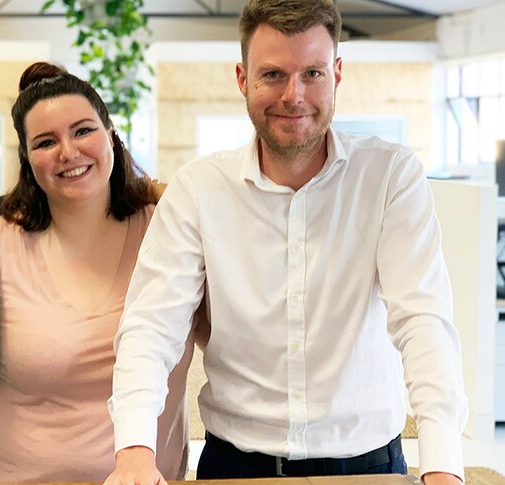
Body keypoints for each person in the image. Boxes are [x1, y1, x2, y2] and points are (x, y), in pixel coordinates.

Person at [105, 1, 468, 484]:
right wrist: (133, 448)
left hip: (367, 466)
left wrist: (443, 465)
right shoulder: (199, 189)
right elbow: (152, 327)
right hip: (234, 468)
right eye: (273, 74)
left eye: (312, 73)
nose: (293, 95)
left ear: (337, 74)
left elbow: (423, 318)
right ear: (242, 78)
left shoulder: (389, 176)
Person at [0, 62, 199, 484]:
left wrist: (165, 191)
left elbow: (229, 220)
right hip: (3, 475)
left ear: (111, 136)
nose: (68, 152)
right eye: (46, 142)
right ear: (27, 161)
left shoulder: (170, 231)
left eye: (83, 130)